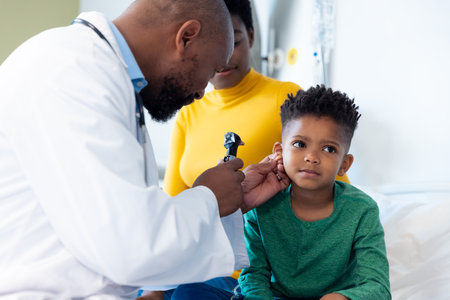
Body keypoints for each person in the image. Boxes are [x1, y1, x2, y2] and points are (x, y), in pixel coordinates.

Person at [0, 0, 288, 298]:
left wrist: (229, 203)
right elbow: (128, 246)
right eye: (210, 68)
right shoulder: (71, 72)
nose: (203, 90)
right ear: (186, 37)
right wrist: (211, 198)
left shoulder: (107, 77)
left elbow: (131, 223)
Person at [157, 1, 349, 299]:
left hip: (261, 272)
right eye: (210, 45)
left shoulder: (285, 98)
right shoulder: (188, 113)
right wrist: (156, 288)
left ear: (251, 36)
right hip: (197, 268)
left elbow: (335, 186)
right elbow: (172, 208)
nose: (223, 57)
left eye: (233, 41)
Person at [238, 85, 391, 299]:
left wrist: (341, 298)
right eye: (299, 144)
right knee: (191, 291)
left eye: (329, 149)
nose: (311, 157)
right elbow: (254, 276)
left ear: (344, 165)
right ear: (279, 152)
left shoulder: (362, 211)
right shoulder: (261, 205)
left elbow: (377, 287)